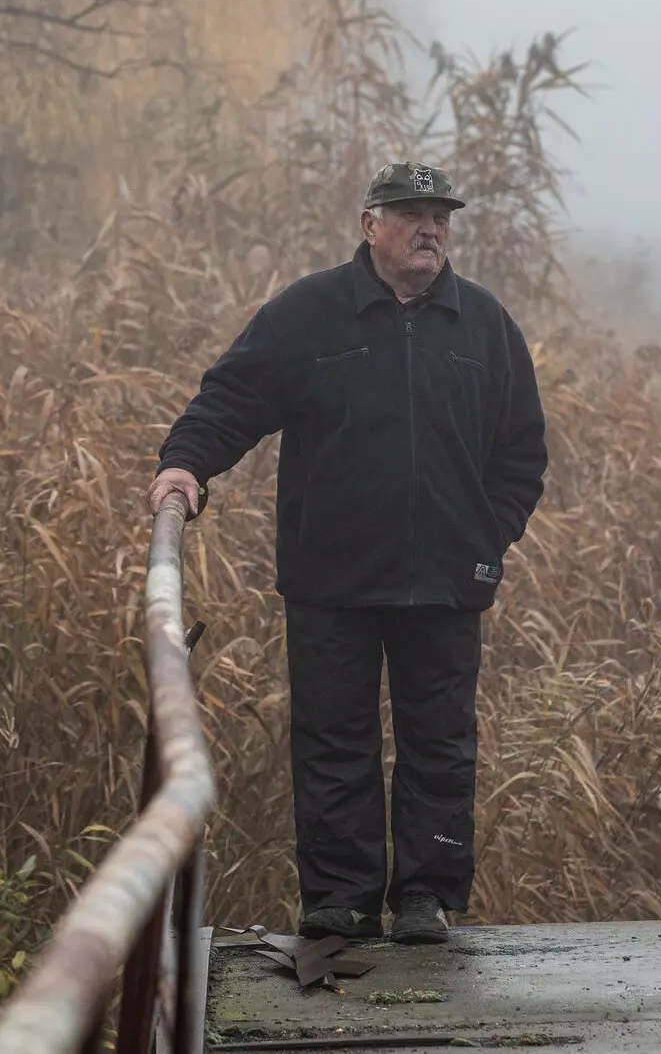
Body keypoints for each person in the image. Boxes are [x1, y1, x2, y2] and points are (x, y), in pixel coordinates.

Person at [147, 162, 548, 945]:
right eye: (412, 215)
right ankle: (341, 900)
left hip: (445, 579)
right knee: (334, 739)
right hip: (332, 574)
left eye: (441, 216)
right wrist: (184, 463)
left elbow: (522, 451)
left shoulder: (485, 325)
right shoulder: (308, 313)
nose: (430, 228)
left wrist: (483, 536)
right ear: (371, 226)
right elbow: (231, 398)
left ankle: (425, 899)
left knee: (439, 742)